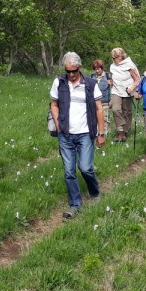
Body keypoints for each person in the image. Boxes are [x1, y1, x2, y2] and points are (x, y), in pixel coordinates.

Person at [50, 52, 106, 218]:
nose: (71, 74)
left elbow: (99, 109)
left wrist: (101, 133)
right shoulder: (59, 83)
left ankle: (95, 193)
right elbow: (54, 104)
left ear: (79, 68)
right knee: (69, 171)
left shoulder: (89, 84)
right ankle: (75, 204)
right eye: (68, 71)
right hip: (65, 134)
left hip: (85, 133)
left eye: (74, 71)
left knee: (85, 167)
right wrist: (58, 124)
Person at [109, 47, 140, 143]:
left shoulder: (129, 65)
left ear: (122, 56)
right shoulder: (112, 66)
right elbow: (112, 77)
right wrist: (110, 82)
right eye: (113, 57)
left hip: (127, 91)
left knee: (127, 112)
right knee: (115, 109)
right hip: (116, 91)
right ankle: (121, 131)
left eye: (116, 57)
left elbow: (137, 79)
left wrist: (132, 88)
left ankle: (125, 132)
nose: (114, 59)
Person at [91, 59, 113, 133]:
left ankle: (106, 134)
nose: (97, 71)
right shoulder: (92, 77)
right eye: (95, 69)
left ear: (101, 68)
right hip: (95, 102)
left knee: (105, 118)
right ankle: (97, 133)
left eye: (98, 69)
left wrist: (111, 101)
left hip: (105, 101)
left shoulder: (107, 76)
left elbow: (112, 89)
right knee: (95, 118)